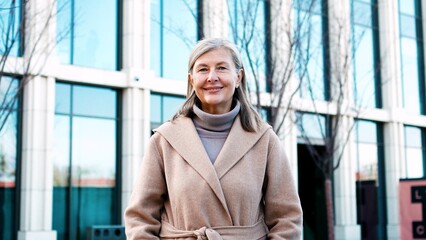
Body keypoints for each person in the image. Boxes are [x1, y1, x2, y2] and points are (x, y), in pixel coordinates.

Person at [124, 38, 303, 239]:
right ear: (192, 80)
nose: (212, 77)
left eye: (221, 68)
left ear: (238, 77)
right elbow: (139, 218)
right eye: (202, 69)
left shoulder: (264, 139)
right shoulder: (164, 140)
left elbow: (287, 219)